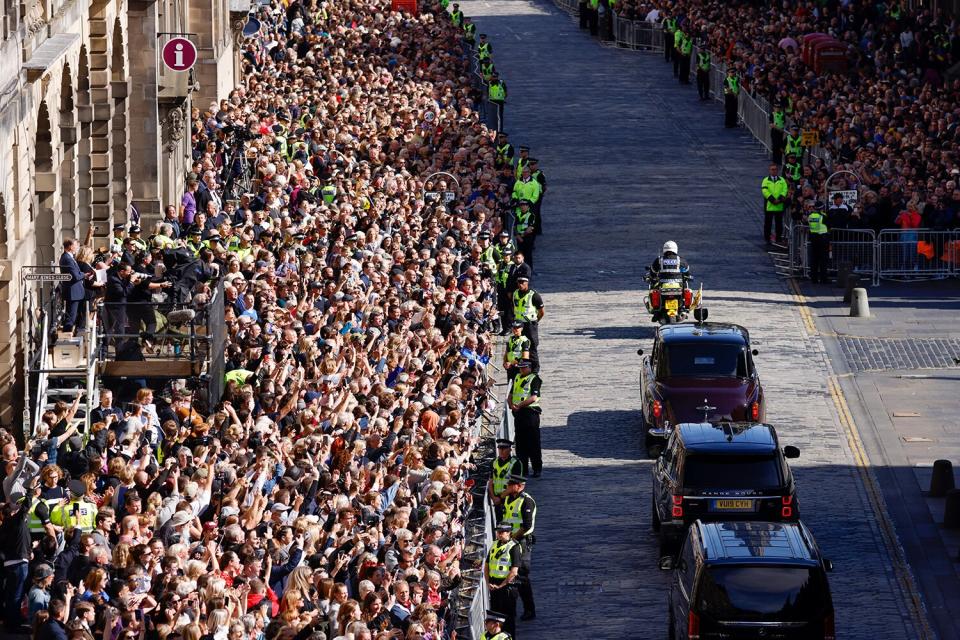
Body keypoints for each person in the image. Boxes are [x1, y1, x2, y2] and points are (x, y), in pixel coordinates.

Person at [502, 474, 536, 621]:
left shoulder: (527, 501)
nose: (508, 486)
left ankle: (529, 609)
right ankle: (511, 607)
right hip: (510, 540)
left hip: (521, 541)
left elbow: (526, 526)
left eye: (511, 484)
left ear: (519, 486)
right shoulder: (509, 498)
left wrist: (512, 539)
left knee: (521, 575)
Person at [484, 523, 520, 637]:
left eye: (501, 532)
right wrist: (488, 583)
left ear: (509, 533)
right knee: (495, 618)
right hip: (494, 586)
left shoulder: (514, 547)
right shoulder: (494, 544)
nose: (498, 534)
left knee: (508, 619)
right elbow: (487, 565)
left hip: (507, 587)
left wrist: (501, 586)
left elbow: (514, 571)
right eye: (498, 532)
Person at [509, 361, 542, 478]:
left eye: (524, 368)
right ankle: (523, 469)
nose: (521, 370)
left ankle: (537, 468)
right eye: (520, 368)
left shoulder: (534, 379)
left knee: (533, 443)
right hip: (519, 414)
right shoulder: (517, 377)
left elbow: (533, 397)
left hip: (530, 413)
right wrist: (511, 404)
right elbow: (511, 393)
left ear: (529, 368)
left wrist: (519, 405)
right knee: (520, 443)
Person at [59, 239, 87, 333]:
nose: (77, 248)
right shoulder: (66, 258)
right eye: (76, 245)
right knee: (71, 316)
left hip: (76, 292)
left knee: (74, 315)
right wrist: (84, 274)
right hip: (73, 292)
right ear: (70, 246)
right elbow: (75, 276)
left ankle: (71, 333)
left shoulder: (70, 257)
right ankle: (67, 336)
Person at [488, 439, 522, 513]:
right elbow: (490, 482)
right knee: (499, 522)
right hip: (497, 500)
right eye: (500, 448)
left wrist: (499, 498)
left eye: (504, 448)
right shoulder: (494, 462)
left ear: (510, 449)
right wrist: (493, 497)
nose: (501, 451)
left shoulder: (515, 463)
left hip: (510, 499)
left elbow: (515, 486)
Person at [512, 277, 543, 352]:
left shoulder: (534, 295)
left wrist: (535, 321)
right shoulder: (515, 293)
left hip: (530, 324)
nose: (520, 284)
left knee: (532, 345)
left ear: (527, 283)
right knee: (519, 345)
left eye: (522, 282)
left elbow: (541, 312)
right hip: (519, 324)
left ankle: (533, 363)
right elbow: (514, 307)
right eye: (519, 282)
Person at [761, 164, 788, 246]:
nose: (774, 171)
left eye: (775, 169)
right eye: (772, 169)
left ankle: (778, 238)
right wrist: (772, 200)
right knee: (768, 223)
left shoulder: (782, 180)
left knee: (779, 223)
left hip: (779, 205)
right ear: (769, 170)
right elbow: (764, 191)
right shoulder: (765, 180)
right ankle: (767, 238)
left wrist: (779, 199)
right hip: (769, 205)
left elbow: (785, 189)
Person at [807, 201, 830, 284]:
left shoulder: (810, 216)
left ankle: (814, 279)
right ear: (822, 208)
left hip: (813, 238)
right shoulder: (823, 216)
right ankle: (824, 279)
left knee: (814, 260)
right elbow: (829, 225)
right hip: (823, 239)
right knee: (823, 260)